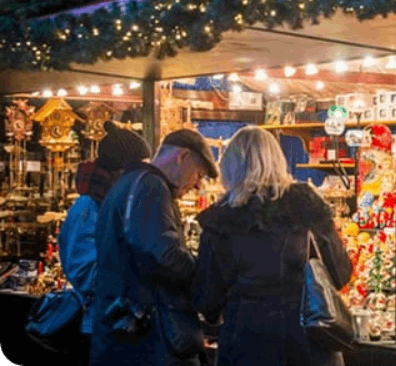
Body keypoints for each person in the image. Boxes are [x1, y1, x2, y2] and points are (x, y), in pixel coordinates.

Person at [194, 126, 353, 366]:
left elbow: (207, 300)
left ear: (229, 166)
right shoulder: (305, 205)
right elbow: (340, 273)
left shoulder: (220, 220)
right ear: (278, 159)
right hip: (309, 340)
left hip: (245, 340)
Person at [89, 129, 220, 366]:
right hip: (150, 341)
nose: (197, 184)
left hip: (121, 334)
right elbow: (163, 255)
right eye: (198, 173)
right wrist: (204, 275)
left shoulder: (126, 184)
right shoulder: (151, 187)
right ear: (182, 157)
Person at [59, 122, 151, 348]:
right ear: (122, 169)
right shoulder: (89, 206)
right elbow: (85, 271)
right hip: (102, 323)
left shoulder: (113, 202)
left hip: (117, 319)